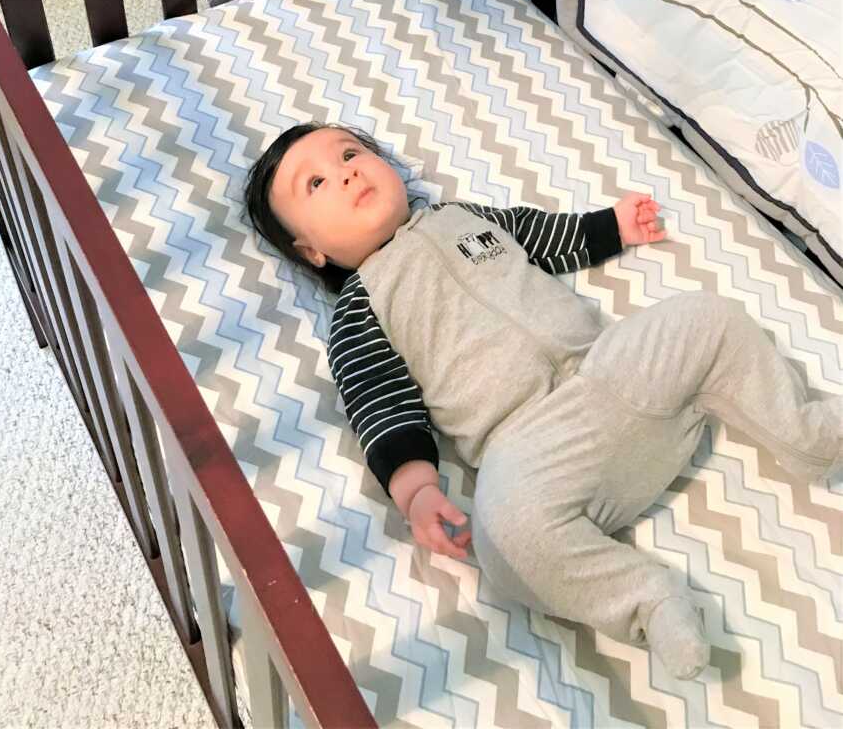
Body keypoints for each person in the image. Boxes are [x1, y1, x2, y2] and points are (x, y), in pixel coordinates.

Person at [245, 122, 842, 680]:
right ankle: (647, 599)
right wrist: (417, 490)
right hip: (531, 445)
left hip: (610, 369)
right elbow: (380, 405)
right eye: (317, 183)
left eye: (351, 153)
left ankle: (814, 436)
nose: (347, 172)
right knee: (504, 543)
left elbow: (540, 235)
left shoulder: (460, 216)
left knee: (705, 317)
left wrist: (611, 227)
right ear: (312, 252)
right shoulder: (359, 309)